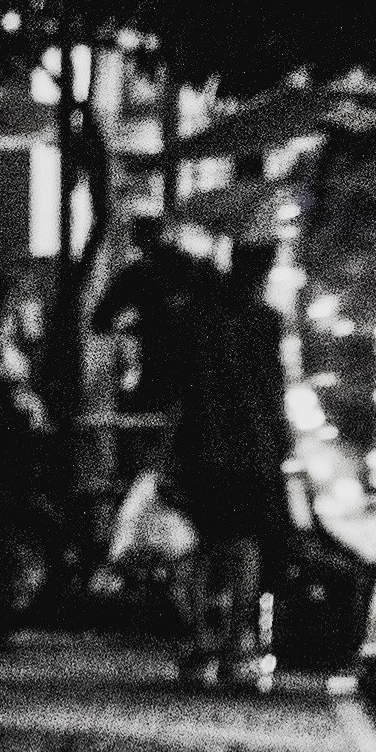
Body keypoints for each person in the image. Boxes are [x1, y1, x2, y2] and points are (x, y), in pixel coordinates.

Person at [167, 244, 295, 690]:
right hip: (252, 452)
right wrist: (280, 445)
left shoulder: (195, 322)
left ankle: (200, 633)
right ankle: (234, 642)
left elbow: (177, 386)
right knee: (244, 549)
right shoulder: (266, 322)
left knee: (201, 546)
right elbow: (274, 389)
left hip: (205, 448)